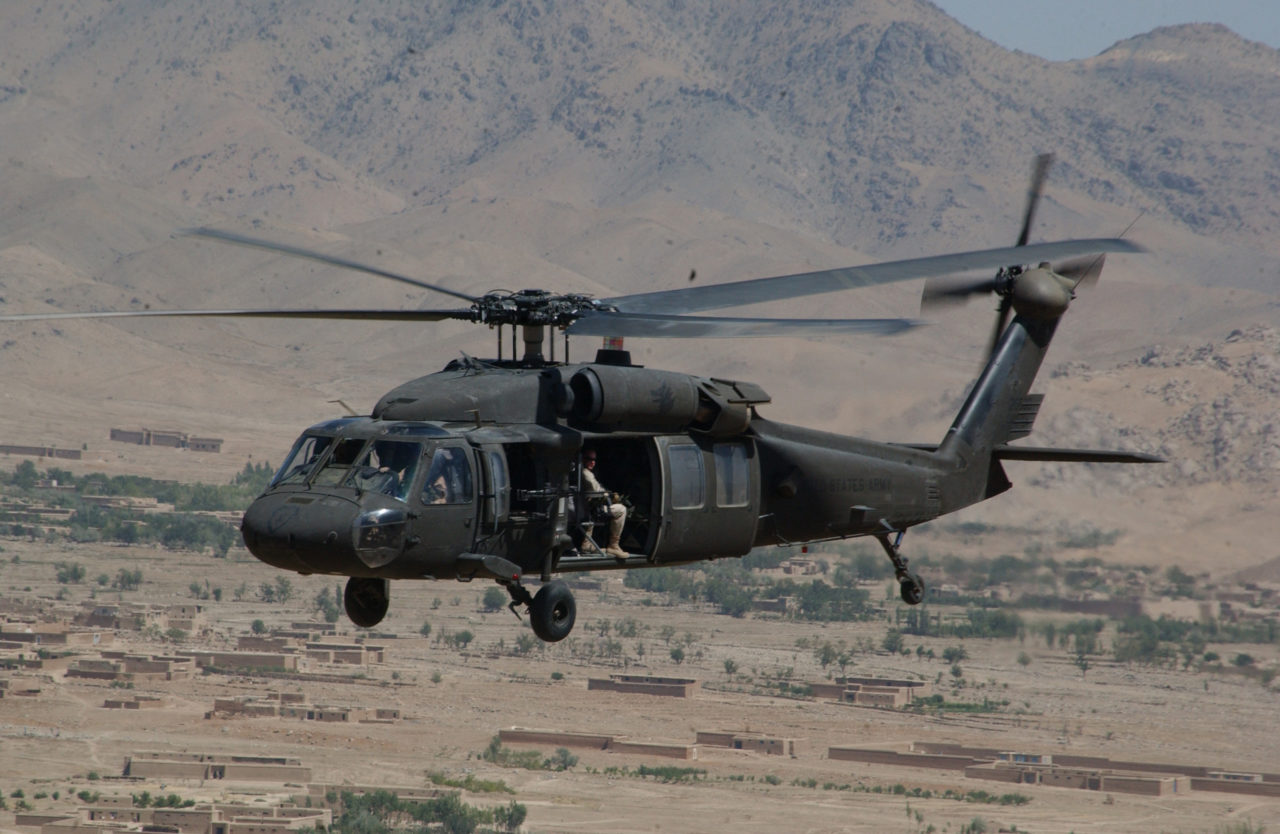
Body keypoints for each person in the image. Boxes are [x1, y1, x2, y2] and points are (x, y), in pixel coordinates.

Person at [580, 448, 628, 560]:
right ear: (582, 459)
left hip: (586, 508)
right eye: (589, 459)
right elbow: (597, 491)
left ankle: (587, 544)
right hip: (591, 509)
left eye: (594, 460)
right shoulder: (585, 473)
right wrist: (610, 496)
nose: (593, 462)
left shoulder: (582, 472)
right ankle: (614, 545)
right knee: (621, 510)